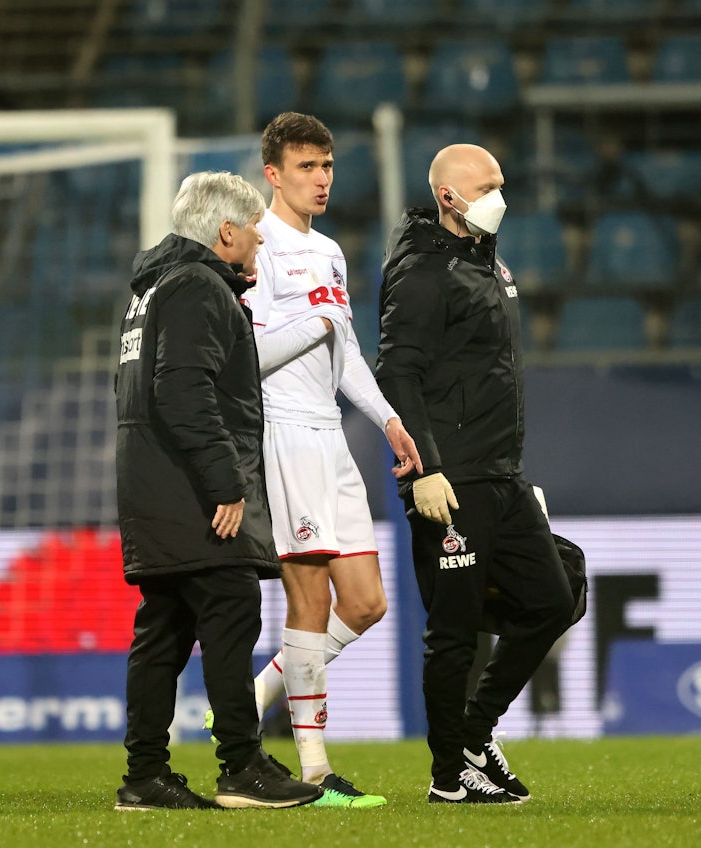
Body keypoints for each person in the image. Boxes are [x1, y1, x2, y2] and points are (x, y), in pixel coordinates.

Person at [374, 144, 577, 804]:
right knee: (453, 633)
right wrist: (423, 469)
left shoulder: (482, 261)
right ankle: (447, 777)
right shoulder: (423, 271)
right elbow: (396, 372)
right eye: (486, 185)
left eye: (501, 181)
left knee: (555, 593)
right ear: (448, 198)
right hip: (449, 477)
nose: (501, 196)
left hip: (498, 472)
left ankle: (472, 732)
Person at [114, 171, 323, 811]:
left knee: (165, 629)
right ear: (225, 232)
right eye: (253, 227)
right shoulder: (196, 287)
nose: (261, 236)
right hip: (191, 489)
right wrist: (225, 481)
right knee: (230, 611)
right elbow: (184, 392)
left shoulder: (152, 290)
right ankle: (241, 766)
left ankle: (145, 777)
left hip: (152, 485)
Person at [239, 111, 422, 809]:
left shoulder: (332, 252)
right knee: (309, 601)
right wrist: (312, 321)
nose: (320, 179)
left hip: (331, 434)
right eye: (306, 167)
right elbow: (248, 357)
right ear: (273, 174)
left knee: (367, 602)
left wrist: (385, 419)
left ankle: (256, 692)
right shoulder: (255, 245)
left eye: (327, 166)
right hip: (283, 432)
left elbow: (343, 351)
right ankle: (314, 770)